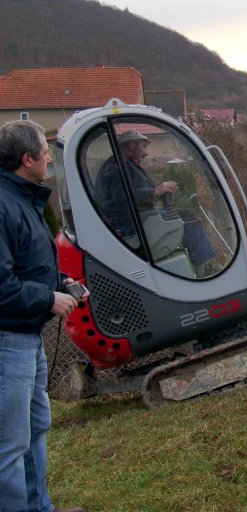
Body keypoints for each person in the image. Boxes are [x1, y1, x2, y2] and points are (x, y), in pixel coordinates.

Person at [0, 120, 86, 512]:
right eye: (45, 151)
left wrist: (60, 280)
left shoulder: (23, 198)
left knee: (36, 429)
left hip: (26, 337)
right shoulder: (3, 203)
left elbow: (24, 264)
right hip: (8, 343)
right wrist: (48, 298)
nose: (50, 157)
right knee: (10, 444)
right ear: (26, 158)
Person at [95, 130, 214, 268]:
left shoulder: (123, 165)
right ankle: (205, 266)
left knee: (183, 215)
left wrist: (157, 193)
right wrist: (155, 192)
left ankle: (198, 262)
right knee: (188, 216)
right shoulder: (118, 168)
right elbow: (122, 197)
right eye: (143, 147)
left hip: (138, 220)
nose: (146, 153)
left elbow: (134, 195)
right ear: (132, 145)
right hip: (133, 226)